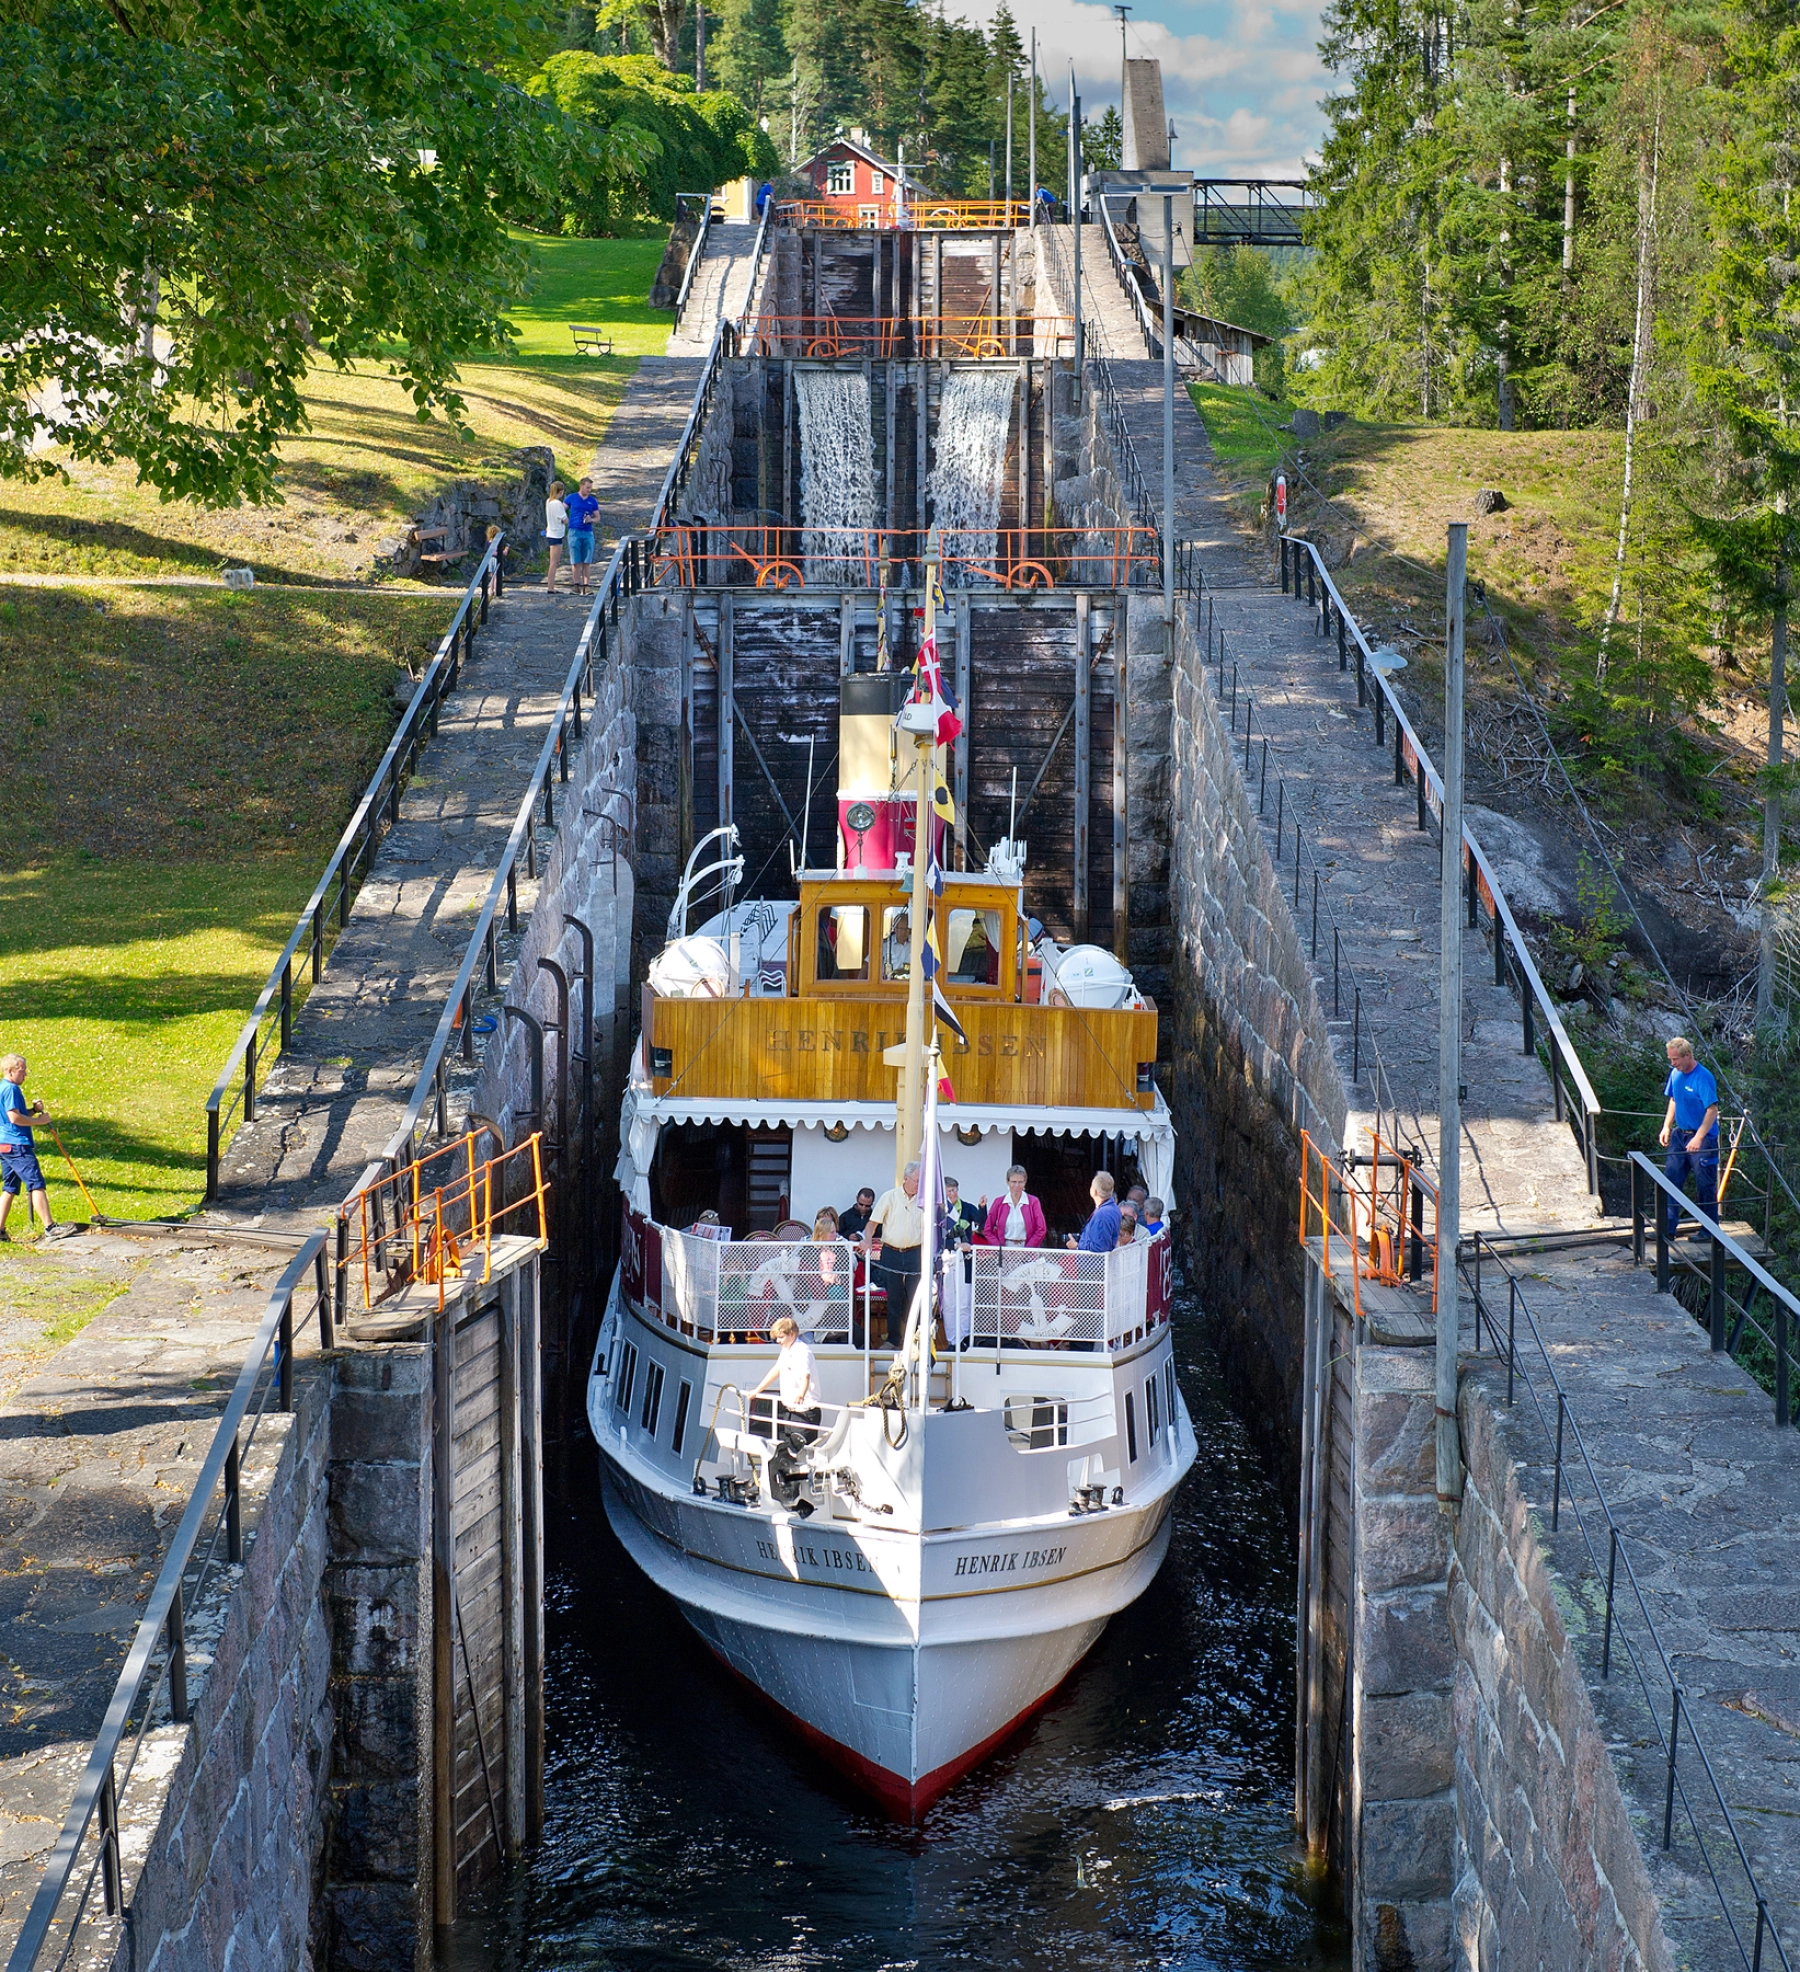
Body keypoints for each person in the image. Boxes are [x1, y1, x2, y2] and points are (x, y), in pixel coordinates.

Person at [0, 1056, 70, 1243]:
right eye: (22, 1070)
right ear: (10, 1071)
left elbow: (14, 1116)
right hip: (17, 1144)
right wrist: (40, 1121)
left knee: (10, 1187)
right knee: (35, 1182)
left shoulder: (3, 1088)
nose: (25, 1073)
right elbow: (14, 1118)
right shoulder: (11, 1089)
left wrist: (32, 1110)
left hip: (4, 1144)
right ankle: (50, 1227)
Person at [1659, 1035, 1721, 1242]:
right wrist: (1666, 1126)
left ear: (1688, 1056)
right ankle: (1667, 1229)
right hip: (1680, 1134)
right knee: (1671, 1180)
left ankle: (1709, 1231)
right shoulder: (1675, 1075)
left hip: (1703, 1137)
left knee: (1705, 1184)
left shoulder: (1702, 1077)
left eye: (1675, 1059)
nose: (1673, 1063)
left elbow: (1712, 1110)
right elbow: (1674, 1100)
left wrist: (1699, 1137)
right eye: (1670, 1059)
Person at [868, 1161, 924, 1348]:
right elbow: (872, 1224)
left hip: (915, 1253)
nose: (919, 1184)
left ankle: (915, 1340)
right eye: (917, 1180)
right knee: (893, 1297)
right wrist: (867, 1240)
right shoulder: (889, 1197)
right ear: (906, 1179)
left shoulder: (924, 1199)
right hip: (891, 1251)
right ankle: (893, 1339)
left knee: (915, 1296)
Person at [982, 1164, 1047, 1247]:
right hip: (1004, 1248)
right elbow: (987, 1229)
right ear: (1007, 1181)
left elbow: (1041, 1229)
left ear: (1025, 1182)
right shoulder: (999, 1202)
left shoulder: (1033, 1202)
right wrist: (999, 1248)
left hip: (1027, 1249)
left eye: (1020, 1182)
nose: (1017, 1185)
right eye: (1013, 1182)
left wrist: (1028, 1249)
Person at [1067, 1170, 1122, 1252]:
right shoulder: (1113, 1208)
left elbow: (1099, 1248)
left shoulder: (1103, 1214)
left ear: (1094, 1191)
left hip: (1094, 1263)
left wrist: (1076, 1246)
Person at [564, 476, 599, 595]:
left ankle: (586, 586)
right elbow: (561, 509)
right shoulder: (572, 498)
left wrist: (591, 520)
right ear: (581, 486)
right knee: (575, 560)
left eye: (590, 488)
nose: (589, 490)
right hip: (574, 531)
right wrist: (565, 519)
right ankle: (576, 585)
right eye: (587, 487)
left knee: (587, 560)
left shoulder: (592, 501)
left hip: (587, 532)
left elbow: (598, 517)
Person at [543, 481, 569, 594]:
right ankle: (550, 587)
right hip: (556, 533)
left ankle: (551, 586)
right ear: (560, 491)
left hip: (551, 532)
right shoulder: (557, 503)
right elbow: (564, 519)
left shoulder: (548, 501)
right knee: (554, 562)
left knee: (554, 561)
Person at [943, 1177, 983, 1246]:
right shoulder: (938, 1211)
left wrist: (982, 1208)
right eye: (949, 1191)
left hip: (965, 1251)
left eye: (954, 1190)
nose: (953, 1194)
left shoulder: (968, 1208)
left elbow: (982, 1222)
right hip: (945, 1252)